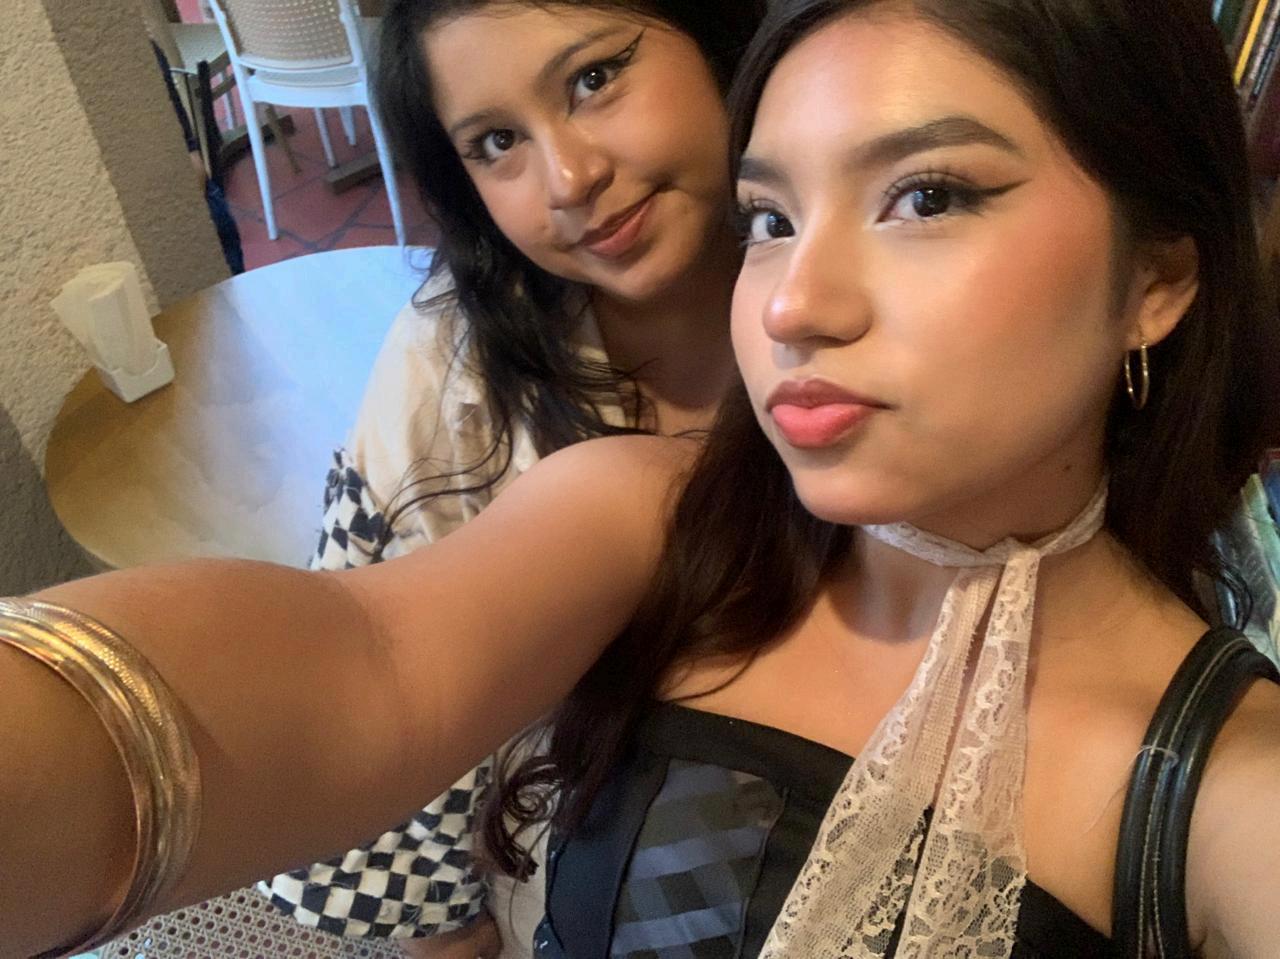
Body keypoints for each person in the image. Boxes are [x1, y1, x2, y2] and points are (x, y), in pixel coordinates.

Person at [5, 0, 1280, 957]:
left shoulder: (1220, 784)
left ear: (1156, 276)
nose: (791, 303)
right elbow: (365, 662)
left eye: (926, 194)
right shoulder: (647, 509)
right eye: (770, 219)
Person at [266, 1, 764, 956]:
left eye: (594, 79)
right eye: (497, 142)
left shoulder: (869, 299)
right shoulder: (452, 372)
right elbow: (377, 715)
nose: (570, 179)